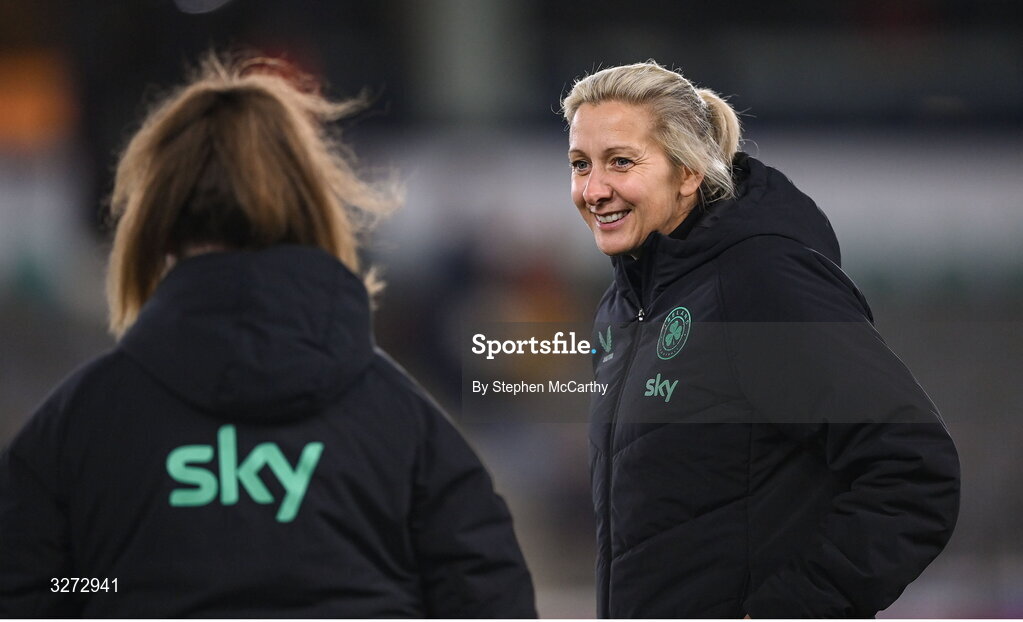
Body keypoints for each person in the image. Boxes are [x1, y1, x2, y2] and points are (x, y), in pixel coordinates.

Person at [0, 55, 536, 618]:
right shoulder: (403, 422)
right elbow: (485, 597)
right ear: (310, 210)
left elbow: (28, 588)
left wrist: (113, 593)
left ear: (156, 226)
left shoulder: (82, 424)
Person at [562, 60, 960, 618]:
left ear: (687, 174)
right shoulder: (622, 307)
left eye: (620, 162)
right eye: (581, 165)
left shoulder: (760, 280)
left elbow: (914, 473)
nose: (594, 190)